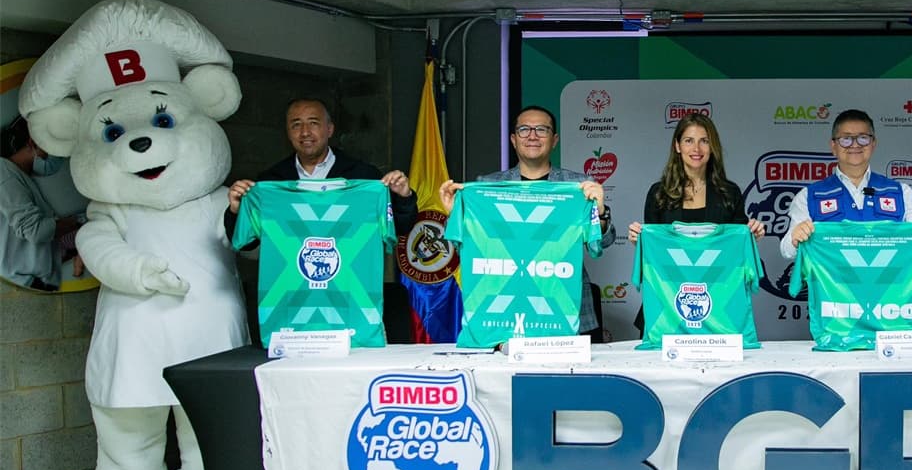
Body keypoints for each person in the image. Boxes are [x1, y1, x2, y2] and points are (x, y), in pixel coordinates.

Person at [439, 104, 615, 340]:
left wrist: (600, 212)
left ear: (554, 140)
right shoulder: (487, 187)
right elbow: (465, 248)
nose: (532, 136)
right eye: (524, 130)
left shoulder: (579, 186)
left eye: (541, 129)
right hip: (501, 310)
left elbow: (603, 242)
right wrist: (455, 215)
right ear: (513, 139)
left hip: (565, 308)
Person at [224, 98, 418, 239]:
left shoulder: (364, 176)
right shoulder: (271, 181)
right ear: (288, 132)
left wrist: (403, 197)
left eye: (313, 123)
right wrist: (237, 211)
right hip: (290, 281)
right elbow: (246, 242)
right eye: (296, 125)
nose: (305, 132)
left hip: (350, 280)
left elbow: (400, 228)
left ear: (329, 129)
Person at [779, 108, 912, 261]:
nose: (855, 144)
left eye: (863, 138)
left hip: (889, 282)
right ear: (833, 146)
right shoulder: (809, 196)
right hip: (831, 283)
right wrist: (795, 237)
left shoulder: (900, 192)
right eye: (846, 139)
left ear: (873, 144)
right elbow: (786, 250)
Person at [627, 112, 765, 243]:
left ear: (712, 146)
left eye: (704, 141)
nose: (696, 149)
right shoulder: (658, 193)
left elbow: (737, 245)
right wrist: (640, 241)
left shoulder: (730, 193)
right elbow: (654, 247)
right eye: (689, 141)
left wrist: (753, 235)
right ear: (677, 146)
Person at [0, 115, 82, 290]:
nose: (55, 156)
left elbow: (36, 240)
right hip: (22, 283)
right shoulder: (4, 173)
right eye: (51, 148)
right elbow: (36, 232)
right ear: (33, 143)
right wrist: (77, 222)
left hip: (34, 283)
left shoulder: (17, 177)